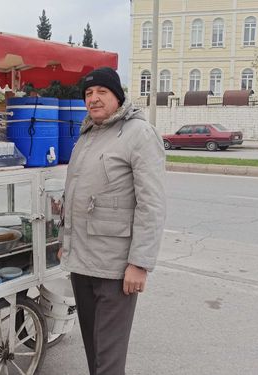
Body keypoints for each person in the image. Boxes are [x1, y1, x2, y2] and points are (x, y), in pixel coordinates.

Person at [57, 67, 167, 375]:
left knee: (108, 359)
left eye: (101, 92)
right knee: (94, 348)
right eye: (89, 94)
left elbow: (152, 204)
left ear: (117, 96)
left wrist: (140, 263)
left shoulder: (139, 134)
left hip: (116, 268)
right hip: (82, 263)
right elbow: (75, 195)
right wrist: (65, 243)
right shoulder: (88, 134)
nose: (93, 99)